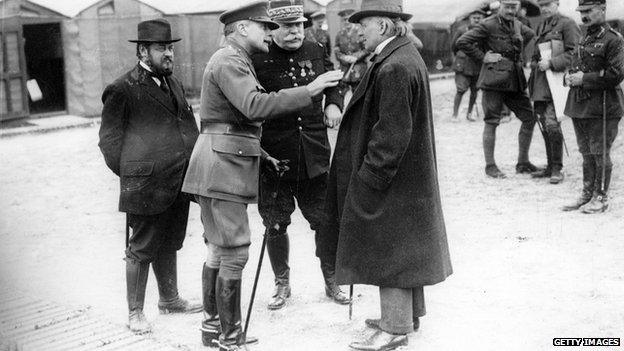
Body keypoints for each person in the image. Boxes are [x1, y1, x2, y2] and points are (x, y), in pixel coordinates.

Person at [180, 2, 343, 350]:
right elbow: (254, 106)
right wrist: (313, 90)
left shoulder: (233, 60)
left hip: (221, 164)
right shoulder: (230, 60)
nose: (270, 32)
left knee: (219, 252)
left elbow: (234, 123)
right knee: (234, 252)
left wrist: (264, 155)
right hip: (221, 168)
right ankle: (229, 337)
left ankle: (215, 330)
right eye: (263, 27)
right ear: (241, 28)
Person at [319, 0, 453, 349]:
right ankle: (405, 317)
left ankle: (394, 329)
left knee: (390, 249)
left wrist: (369, 178)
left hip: (391, 178)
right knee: (403, 248)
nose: (357, 31)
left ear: (382, 26)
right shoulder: (402, 56)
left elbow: (391, 134)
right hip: (407, 177)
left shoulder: (393, 65)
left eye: (363, 24)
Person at [98, 19, 201, 334]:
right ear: (143, 50)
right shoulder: (122, 88)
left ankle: (169, 299)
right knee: (141, 247)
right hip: (145, 185)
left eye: (170, 47)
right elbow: (109, 142)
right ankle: (135, 312)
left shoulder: (174, 83)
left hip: (177, 181)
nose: (168, 53)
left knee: (169, 240)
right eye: (161, 48)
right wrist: (134, 175)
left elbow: (187, 127)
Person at [250, 0, 350, 311]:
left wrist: (334, 102)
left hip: (314, 153)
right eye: (288, 26)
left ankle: (331, 279)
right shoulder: (258, 56)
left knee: (324, 220)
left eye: (300, 24)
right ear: (272, 28)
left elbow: (335, 79)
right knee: (275, 224)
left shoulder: (316, 46)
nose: (296, 31)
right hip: (275, 157)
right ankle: (282, 282)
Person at [456, 0, 540, 179]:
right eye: (507, 7)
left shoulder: (518, 24)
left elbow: (531, 34)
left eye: (513, 7)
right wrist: (483, 56)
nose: (510, 10)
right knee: (492, 121)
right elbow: (462, 42)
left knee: (529, 118)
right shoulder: (488, 25)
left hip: (514, 80)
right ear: (500, 6)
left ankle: (523, 162)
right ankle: (490, 166)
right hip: (494, 80)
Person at [561, 0, 624, 213]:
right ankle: (587, 194)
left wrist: (584, 78)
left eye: (589, 11)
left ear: (602, 9)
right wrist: (570, 76)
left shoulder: (613, 39)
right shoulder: (584, 36)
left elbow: (615, 74)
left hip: (603, 106)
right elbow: (576, 63)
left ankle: (601, 197)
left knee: (600, 153)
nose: (584, 15)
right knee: (586, 152)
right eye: (582, 11)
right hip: (581, 104)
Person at [528, 0, 581, 184]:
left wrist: (551, 63)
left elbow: (575, 53)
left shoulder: (567, 24)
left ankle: (558, 167)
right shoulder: (541, 25)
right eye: (541, 5)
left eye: (548, 4)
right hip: (541, 83)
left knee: (551, 124)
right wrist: (535, 63)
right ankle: (550, 165)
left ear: (557, 3)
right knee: (543, 123)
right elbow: (536, 54)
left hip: (557, 83)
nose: (544, 8)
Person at [451, 9, 486, 122]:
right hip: (463, 65)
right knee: (460, 90)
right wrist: (461, 56)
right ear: (469, 19)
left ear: (482, 19)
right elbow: (454, 46)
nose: (476, 20)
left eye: (478, 18)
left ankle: (469, 114)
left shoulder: (484, 31)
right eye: (474, 18)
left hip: (477, 65)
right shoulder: (462, 30)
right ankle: (455, 115)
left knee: (475, 91)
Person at [334, 8, 369, 94]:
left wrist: (355, 57)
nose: (346, 21)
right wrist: (344, 58)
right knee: (341, 94)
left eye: (348, 19)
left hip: (358, 69)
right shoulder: (339, 34)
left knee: (359, 95)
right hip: (344, 69)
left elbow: (367, 49)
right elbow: (336, 50)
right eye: (344, 19)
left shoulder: (360, 32)